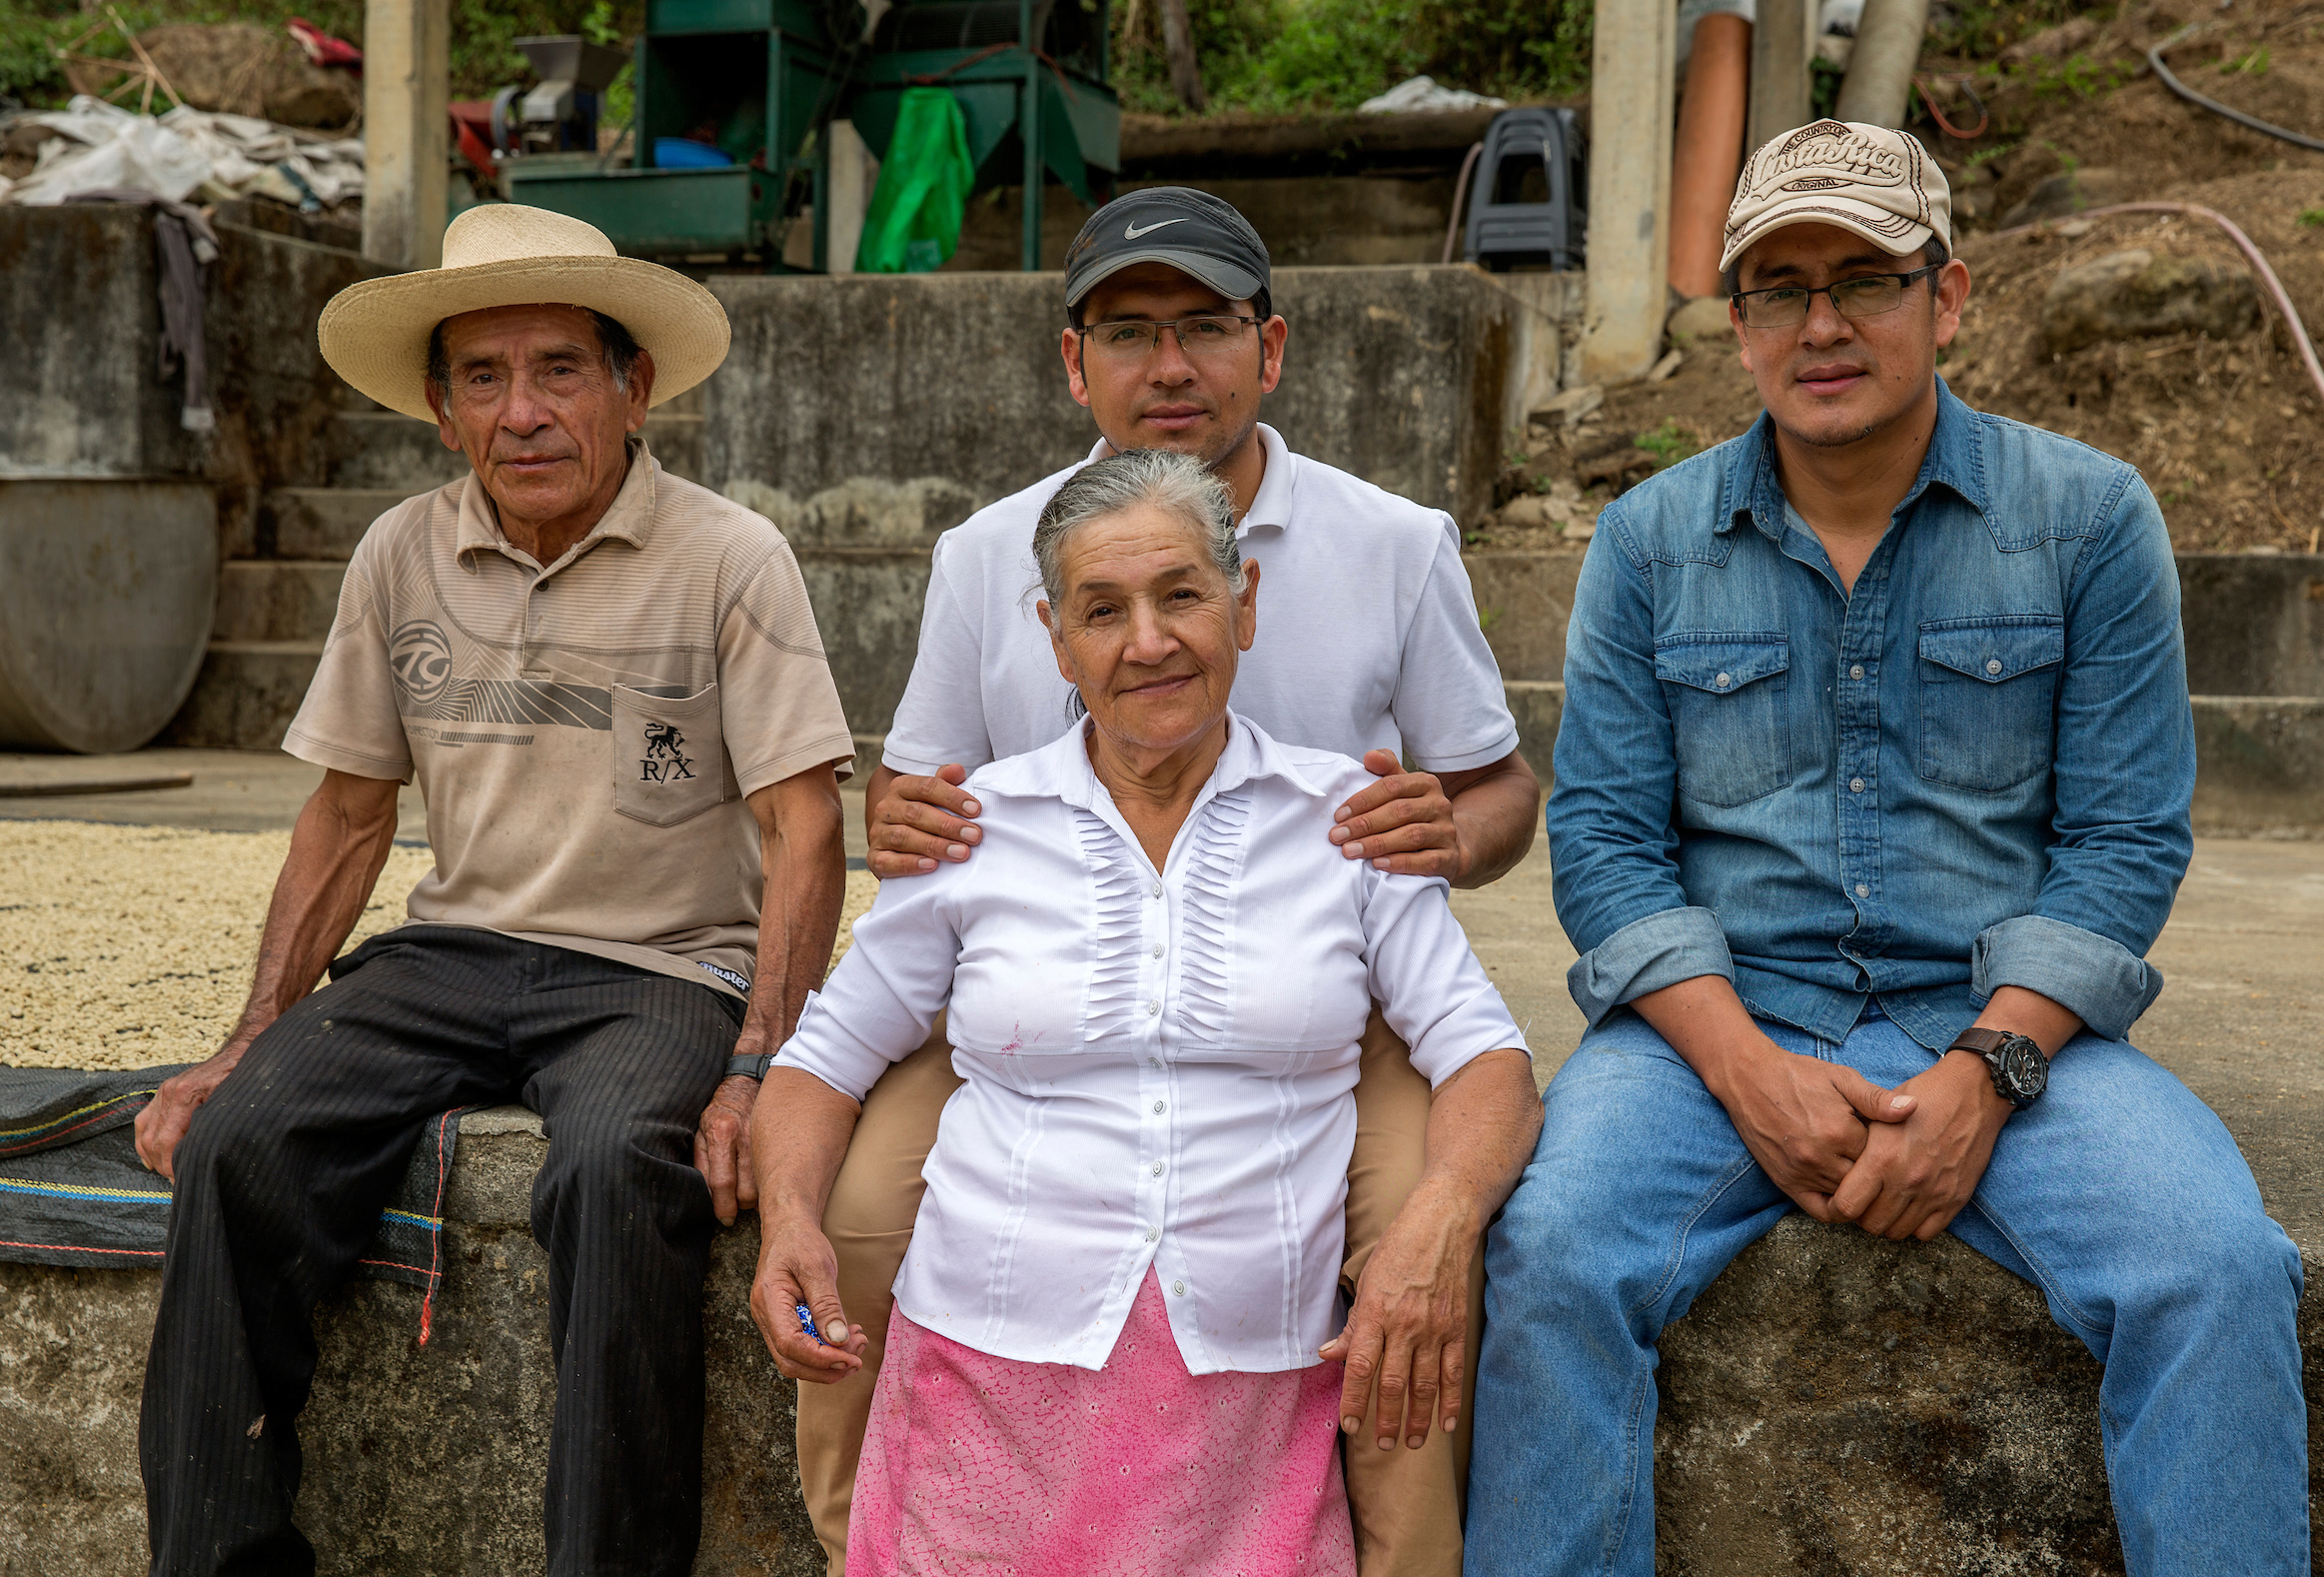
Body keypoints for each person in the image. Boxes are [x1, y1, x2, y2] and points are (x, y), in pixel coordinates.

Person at [1469, 121, 2308, 1575]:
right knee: (1548, 1258)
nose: (1823, 324)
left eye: (1865, 277)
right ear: (1737, 323)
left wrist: (1991, 1074)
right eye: (1779, 288)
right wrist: (1745, 1070)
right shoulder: (1650, 541)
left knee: (2218, 1267)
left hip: (2008, 1025)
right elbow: (1603, 842)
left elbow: (2123, 841)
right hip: (1713, 1031)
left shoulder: (2087, 522)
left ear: (1950, 295)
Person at [799, 187, 1542, 1575]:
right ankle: (874, 1536)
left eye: (1205, 327)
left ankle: (1404, 1556)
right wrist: (898, 829)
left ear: (1271, 347)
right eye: (1128, 333)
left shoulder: (1393, 543)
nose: (1170, 366)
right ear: (1074, 363)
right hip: (1034, 989)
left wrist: (1445, 835)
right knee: (847, 1218)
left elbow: (1496, 787)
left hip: (1330, 992)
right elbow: (920, 804)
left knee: (1415, 1247)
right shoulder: (989, 557)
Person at [131, 205, 856, 1576]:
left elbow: (805, 825)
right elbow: (349, 814)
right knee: (239, 1146)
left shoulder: (728, 554)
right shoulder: (401, 553)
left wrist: (761, 1062)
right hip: (451, 955)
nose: (523, 412)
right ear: (439, 407)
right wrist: (248, 1035)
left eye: (561, 370)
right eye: (484, 377)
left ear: (633, 385)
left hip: (662, 968)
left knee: (610, 1169)